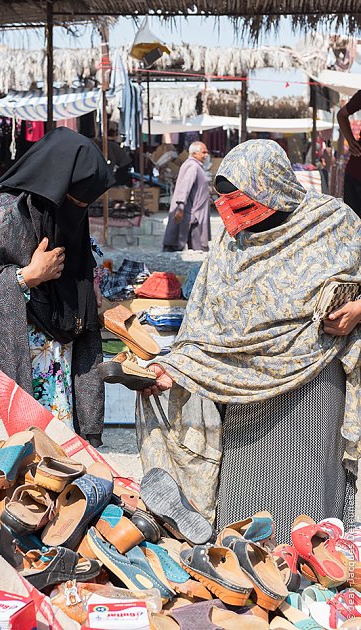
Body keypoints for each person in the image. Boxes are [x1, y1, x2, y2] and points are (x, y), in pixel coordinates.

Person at [141, 139, 361, 543]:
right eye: (222, 204)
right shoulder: (230, 245)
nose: (231, 218)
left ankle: (307, 570)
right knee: (245, 508)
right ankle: (242, 574)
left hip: (312, 383)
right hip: (243, 393)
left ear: (273, 187)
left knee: (306, 497)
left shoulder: (334, 224)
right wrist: (177, 367)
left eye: (241, 205)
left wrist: (358, 310)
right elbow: (206, 324)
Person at [0, 127, 114, 448]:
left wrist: (87, 292)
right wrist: (26, 278)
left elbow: (77, 275)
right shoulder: (1, 216)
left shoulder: (62, 213)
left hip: (58, 380)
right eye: (74, 202)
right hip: (10, 373)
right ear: (56, 187)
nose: (77, 213)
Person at [162, 141, 211, 252]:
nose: (206, 155)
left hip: (196, 213)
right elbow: (185, 187)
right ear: (194, 153)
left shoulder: (196, 166)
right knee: (182, 241)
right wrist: (180, 207)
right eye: (203, 152)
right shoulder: (192, 166)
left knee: (196, 244)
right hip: (193, 212)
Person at [338, 91, 361, 218]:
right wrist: (351, 142)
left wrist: (351, 141)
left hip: (356, 171)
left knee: (353, 226)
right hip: (356, 173)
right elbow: (341, 115)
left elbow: (341, 115)